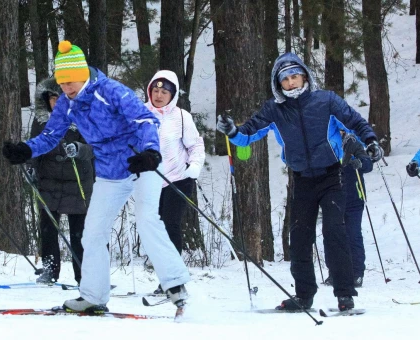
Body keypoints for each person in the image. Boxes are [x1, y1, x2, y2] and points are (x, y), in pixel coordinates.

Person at [3, 41, 191, 313]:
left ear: (84, 74)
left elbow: (145, 120)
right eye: (62, 82)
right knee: (92, 232)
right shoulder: (67, 104)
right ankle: (93, 295)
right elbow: (51, 135)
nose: (67, 88)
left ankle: (176, 287)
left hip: (139, 162)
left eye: (72, 81)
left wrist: (151, 151)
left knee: (148, 219)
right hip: (109, 171)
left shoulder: (111, 90)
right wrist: (25, 150)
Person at [216, 52, 383, 311]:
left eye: (295, 76)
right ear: (278, 83)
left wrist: (370, 141)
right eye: (285, 79)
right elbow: (248, 134)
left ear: (304, 76)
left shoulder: (325, 100)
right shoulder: (275, 109)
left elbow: (354, 122)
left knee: (334, 232)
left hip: (331, 176)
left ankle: (344, 294)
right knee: (300, 237)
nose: (291, 82)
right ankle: (304, 296)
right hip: (302, 180)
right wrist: (232, 131)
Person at [145, 70, 205, 293]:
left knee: (170, 225)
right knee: (154, 230)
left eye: (164, 92)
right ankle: (164, 275)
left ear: (173, 95)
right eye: (155, 90)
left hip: (177, 179)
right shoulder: (141, 113)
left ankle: (172, 281)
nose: (159, 95)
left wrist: (195, 165)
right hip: (150, 181)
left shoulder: (181, 116)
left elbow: (195, 145)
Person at [30, 77, 94, 285]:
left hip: (78, 181)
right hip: (49, 181)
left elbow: (94, 148)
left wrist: (79, 149)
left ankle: (84, 273)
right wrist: (31, 166)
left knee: (79, 233)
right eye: (53, 98)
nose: (56, 103)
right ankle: (50, 269)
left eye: (61, 98)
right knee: (48, 229)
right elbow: (35, 146)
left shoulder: (85, 118)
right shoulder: (41, 121)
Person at [324, 132, 373, 288]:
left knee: (353, 235)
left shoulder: (353, 141)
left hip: (354, 197)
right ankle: (334, 272)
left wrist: (360, 162)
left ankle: (357, 273)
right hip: (332, 196)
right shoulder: (325, 140)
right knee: (333, 235)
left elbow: (368, 164)